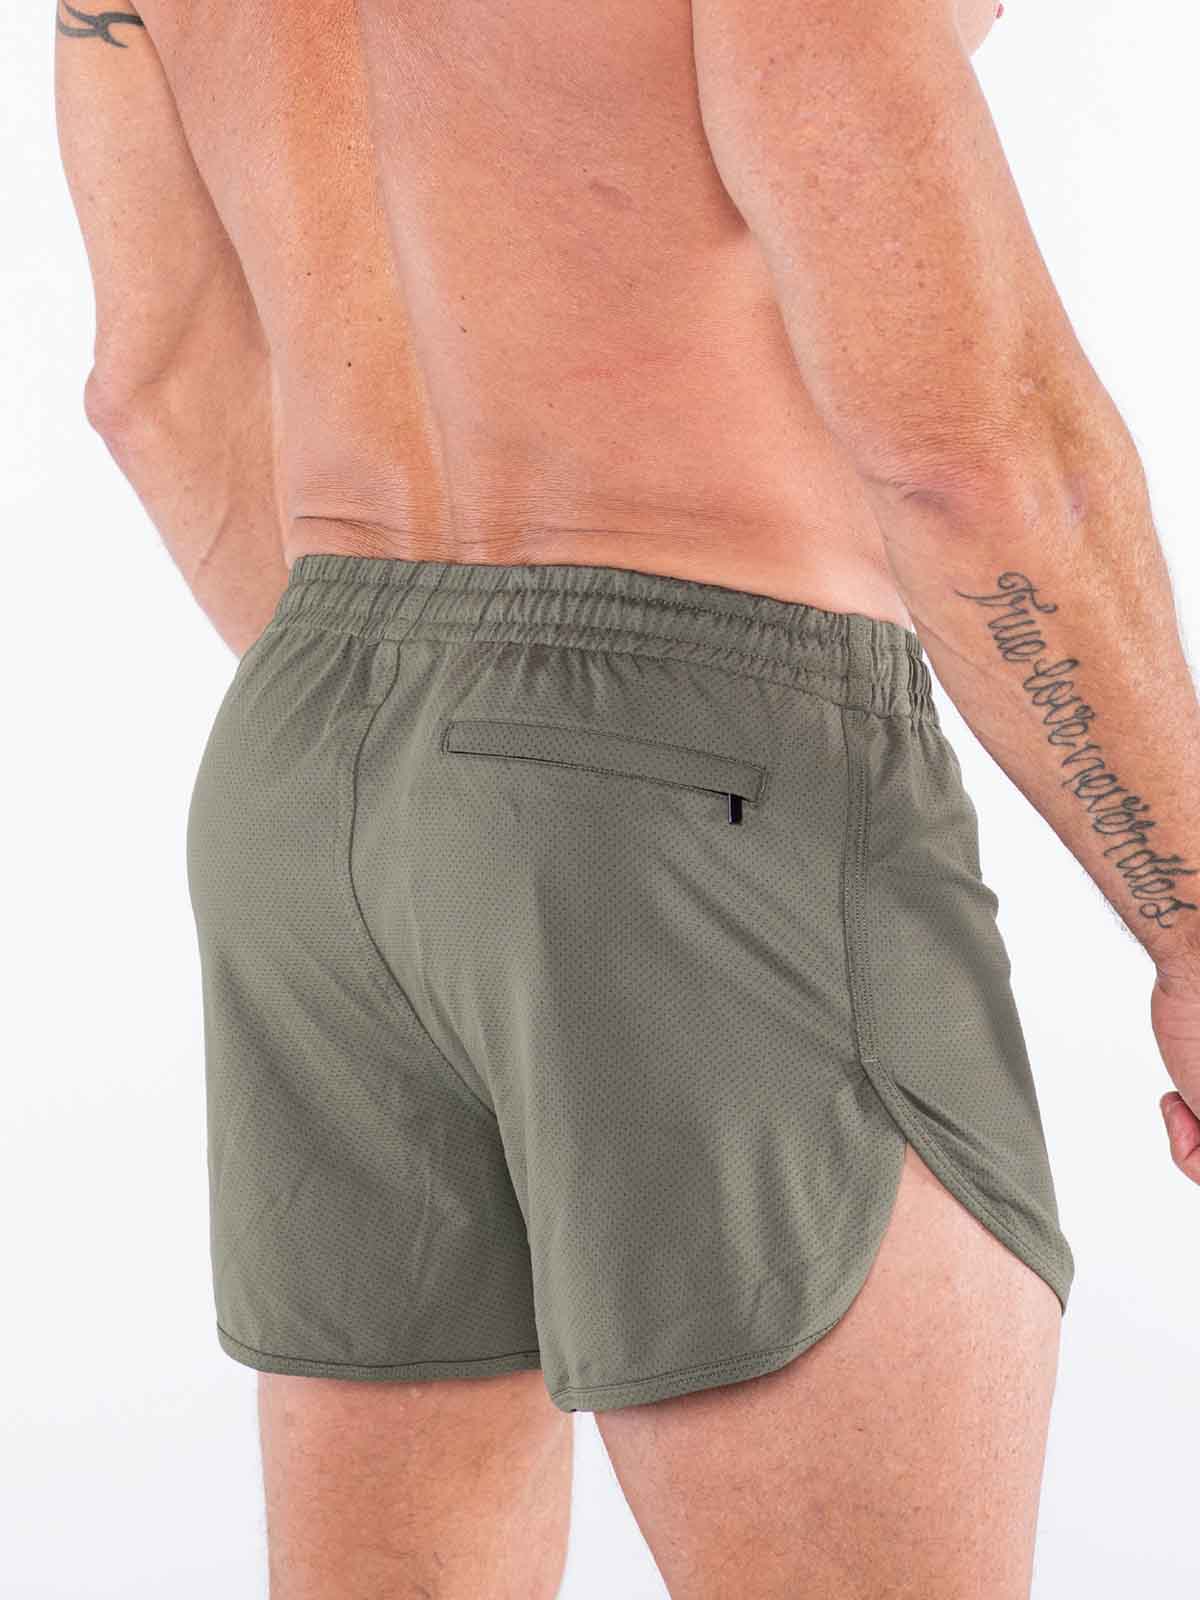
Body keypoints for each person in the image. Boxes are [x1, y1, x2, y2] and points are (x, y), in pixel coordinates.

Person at [56, 0, 1199, 1593]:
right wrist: (1189, 923)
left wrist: (436, 775)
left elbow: (152, 384)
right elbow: (975, 454)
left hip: (303, 783)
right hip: (700, 770)